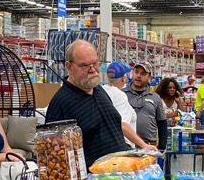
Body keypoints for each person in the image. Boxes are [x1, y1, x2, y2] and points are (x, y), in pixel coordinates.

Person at [45, 40, 151, 168]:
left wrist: (142, 146)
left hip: (120, 174)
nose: (93, 69)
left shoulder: (99, 90)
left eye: (95, 63)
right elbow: (54, 156)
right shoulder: (61, 103)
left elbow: (117, 125)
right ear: (69, 66)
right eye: (85, 66)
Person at [123, 61, 169, 152]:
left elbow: (162, 123)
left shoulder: (155, 97)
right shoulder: (122, 94)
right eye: (136, 72)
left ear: (149, 78)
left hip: (149, 146)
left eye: (143, 73)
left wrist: (162, 147)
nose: (138, 76)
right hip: (126, 145)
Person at [103, 61, 139, 139]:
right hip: (122, 145)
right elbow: (123, 125)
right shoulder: (119, 95)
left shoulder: (101, 91)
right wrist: (142, 144)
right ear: (123, 78)